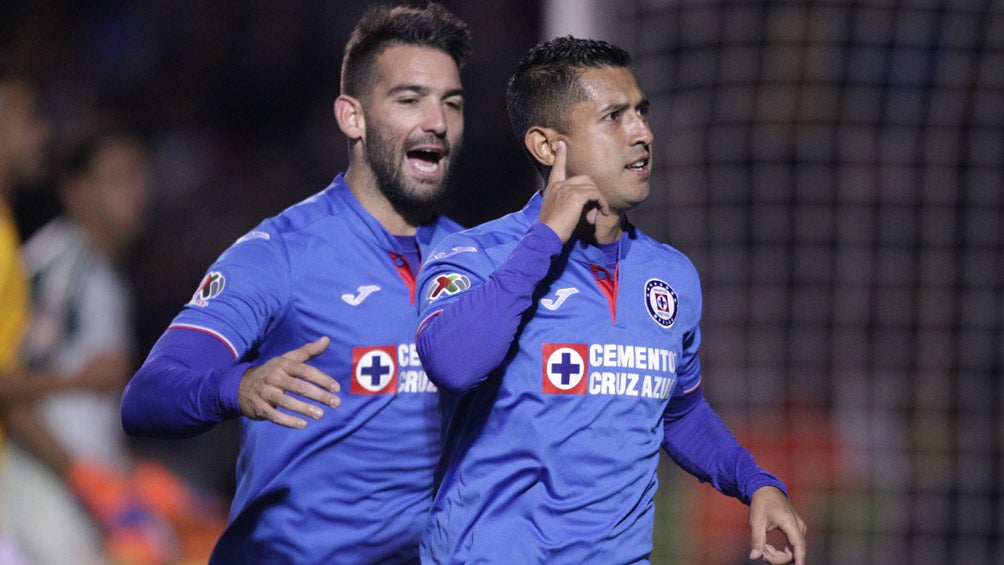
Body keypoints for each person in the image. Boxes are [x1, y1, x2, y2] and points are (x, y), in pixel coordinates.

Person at [414, 36, 808, 564]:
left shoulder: (671, 275)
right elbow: (453, 363)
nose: (642, 132)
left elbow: (679, 411)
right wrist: (545, 239)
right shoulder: (474, 255)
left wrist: (754, 482)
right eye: (614, 116)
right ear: (549, 147)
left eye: (641, 112)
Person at [120, 3, 470, 563]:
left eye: (451, 103)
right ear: (351, 117)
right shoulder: (280, 252)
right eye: (410, 99)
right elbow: (147, 395)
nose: (437, 121)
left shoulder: (476, 261)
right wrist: (237, 387)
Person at [4, 131, 227, 565]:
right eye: (120, 177)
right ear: (79, 191)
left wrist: (143, 478)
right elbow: (13, 397)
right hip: (38, 491)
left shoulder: (104, 277)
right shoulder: (60, 269)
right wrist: (85, 478)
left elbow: (86, 416)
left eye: (141, 175)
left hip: (80, 493)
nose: (139, 191)